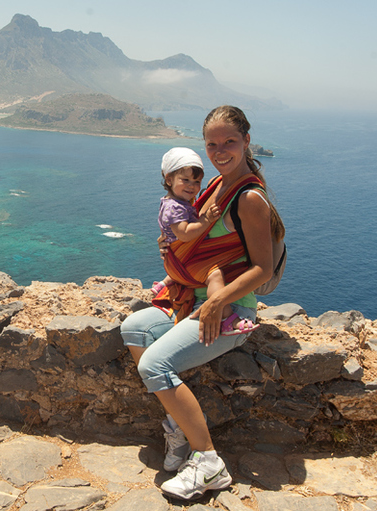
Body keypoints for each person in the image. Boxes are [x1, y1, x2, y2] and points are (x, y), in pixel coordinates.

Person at [121, 105, 285, 500]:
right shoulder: (215, 186)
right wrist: (173, 246)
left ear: (246, 141)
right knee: (134, 328)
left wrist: (216, 303)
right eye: (212, 144)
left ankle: (208, 461)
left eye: (230, 141)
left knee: (154, 365)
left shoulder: (248, 198)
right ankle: (180, 429)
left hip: (228, 311)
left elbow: (262, 268)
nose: (220, 151)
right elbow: (192, 235)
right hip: (193, 300)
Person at [153, 147, 258, 337]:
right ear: (169, 179)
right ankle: (227, 318)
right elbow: (185, 234)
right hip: (184, 260)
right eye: (185, 180)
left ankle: (165, 283)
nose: (191, 186)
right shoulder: (175, 207)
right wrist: (206, 220)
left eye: (196, 182)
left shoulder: (177, 202)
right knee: (215, 276)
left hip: (177, 260)